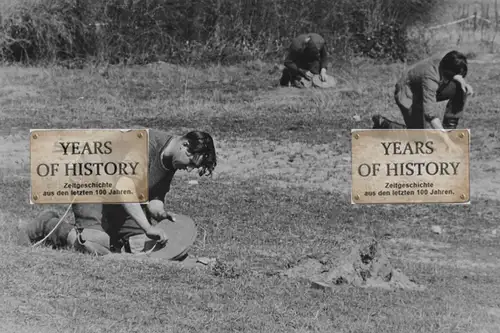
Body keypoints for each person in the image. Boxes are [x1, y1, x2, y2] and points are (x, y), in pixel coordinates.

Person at [22, 129, 217, 257]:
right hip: (92, 180)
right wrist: (148, 227)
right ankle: (48, 224)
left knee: (141, 245)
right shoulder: (145, 144)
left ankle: (108, 229)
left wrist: (160, 214)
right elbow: (125, 188)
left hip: (118, 191)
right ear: (184, 146)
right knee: (93, 244)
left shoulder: (171, 159)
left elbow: (155, 198)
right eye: (191, 163)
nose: (189, 169)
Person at [372, 50, 474, 130]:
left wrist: (463, 83)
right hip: (408, 94)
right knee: (419, 137)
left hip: (424, 87)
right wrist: (446, 140)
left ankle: (449, 128)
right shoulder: (430, 79)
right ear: (446, 71)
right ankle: (385, 125)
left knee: (461, 89)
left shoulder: (447, 60)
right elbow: (430, 115)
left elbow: (456, 75)